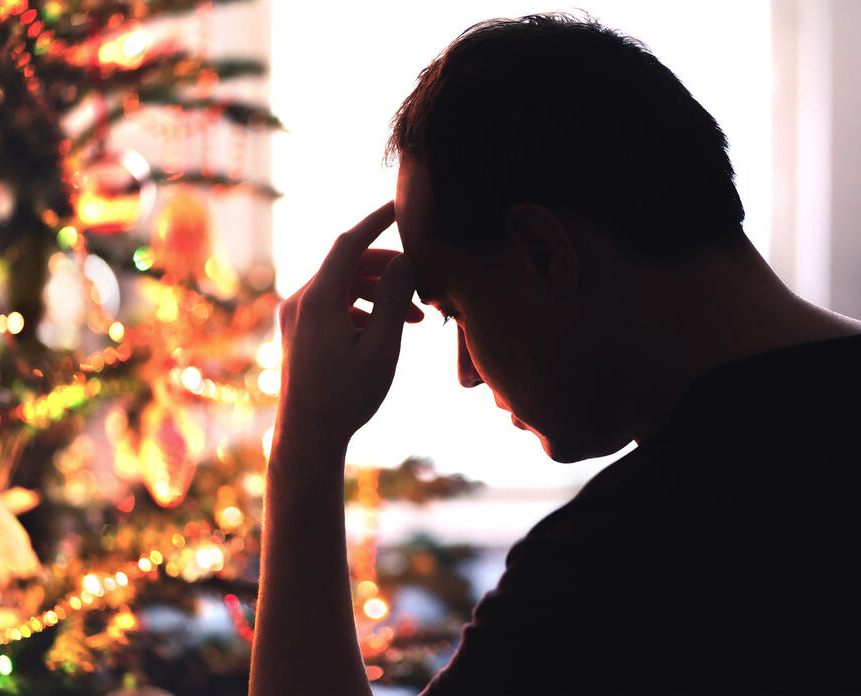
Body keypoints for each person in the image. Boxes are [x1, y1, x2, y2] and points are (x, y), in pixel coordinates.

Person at [250, 13, 861, 695]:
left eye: (455, 311)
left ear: (543, 251)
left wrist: (304, 442)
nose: (466, 372)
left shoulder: (618, 572)